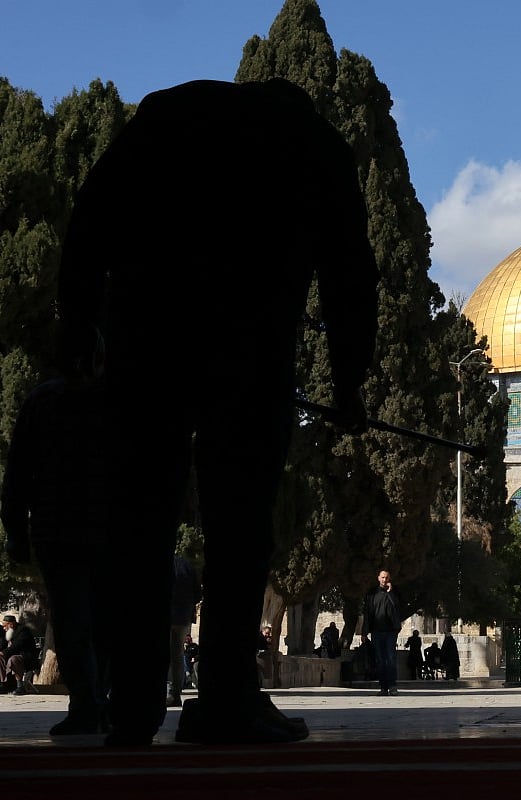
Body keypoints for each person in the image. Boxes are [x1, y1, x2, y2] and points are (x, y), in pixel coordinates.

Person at [56, 78, 380, 746]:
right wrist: (348, 387)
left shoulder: (163, 122)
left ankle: (133, 705)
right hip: (248, 353)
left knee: (139, 523)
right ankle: (227, 698)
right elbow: (351, 275)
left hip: (146, 348)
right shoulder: (309, 141)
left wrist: (79, 329)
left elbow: (87, 225)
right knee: (240, 528)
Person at [0, 354, 111, 734]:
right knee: (85, 619)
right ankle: (93, 700)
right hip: (80, 526)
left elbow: (16, 471)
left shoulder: (44, 400)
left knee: (82, 619)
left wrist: (16, 528)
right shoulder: (54, 400)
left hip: (70, 527)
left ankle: (92, 700)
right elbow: (18, 470)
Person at [361, 570, 406, 696]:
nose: (384, 580)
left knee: (390, 658)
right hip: (376, 631)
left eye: (386, 578)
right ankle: (383, 687)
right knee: (380, 660)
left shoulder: (394, 592)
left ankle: (392, 686)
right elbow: (367, 613)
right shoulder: (372, 594)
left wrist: (390, 593)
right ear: (378, 578)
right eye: (382, 577)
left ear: (389, 579)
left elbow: (397, 607)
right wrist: (364, 632)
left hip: (391, 631)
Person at [168, 553, 201, 707]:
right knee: (177, 655)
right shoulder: (187, 566)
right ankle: (175, 693)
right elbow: (197, 594)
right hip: (182, 618)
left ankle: (167, 690)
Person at [0, 614, 40, 696]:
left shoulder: (23, 631)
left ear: (10, 624)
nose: (4, 628)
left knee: (13, 659)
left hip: (26, 658)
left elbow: (17, 646)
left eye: (5, 626)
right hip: (12, 655)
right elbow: (3, 644)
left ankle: (20, 686)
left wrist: (4, 652)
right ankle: (3, 684)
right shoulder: (9, 632)